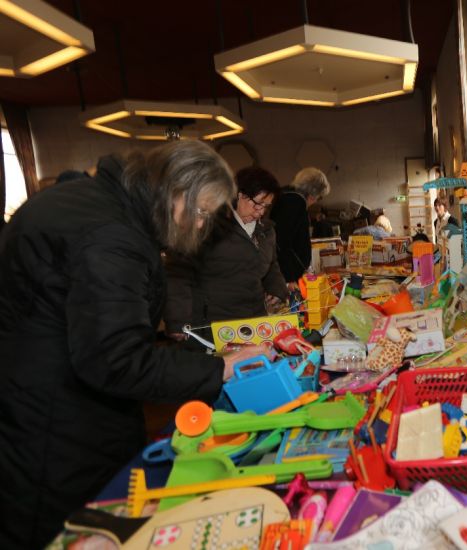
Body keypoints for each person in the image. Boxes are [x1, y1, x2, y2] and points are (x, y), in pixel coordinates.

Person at [0, 141, 272, 547]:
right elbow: (117, 359)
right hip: (55, 426)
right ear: (176, 192)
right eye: (200, 213)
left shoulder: (96, 200)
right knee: (73, 529)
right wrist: (221, 366)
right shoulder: (112, 236)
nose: (200, 227)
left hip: (40, 395)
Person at [164, 166, 289, 341]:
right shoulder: (208, 226)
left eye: (266, 206)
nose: (260, 211)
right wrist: (178, 319)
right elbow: (178, 273)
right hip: (213, 325)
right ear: (239, 194)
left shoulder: (266, 231)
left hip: (253, 322)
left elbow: (271, 264)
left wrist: (276, 288)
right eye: (257, 203)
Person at [270, 167, 331, 283]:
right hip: (288, 276)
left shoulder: (286, 195)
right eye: (319, 197)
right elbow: (284, 243)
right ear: (313, 194)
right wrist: (292, 277)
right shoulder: (295, 203)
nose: (315, 201)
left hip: (285, 272)